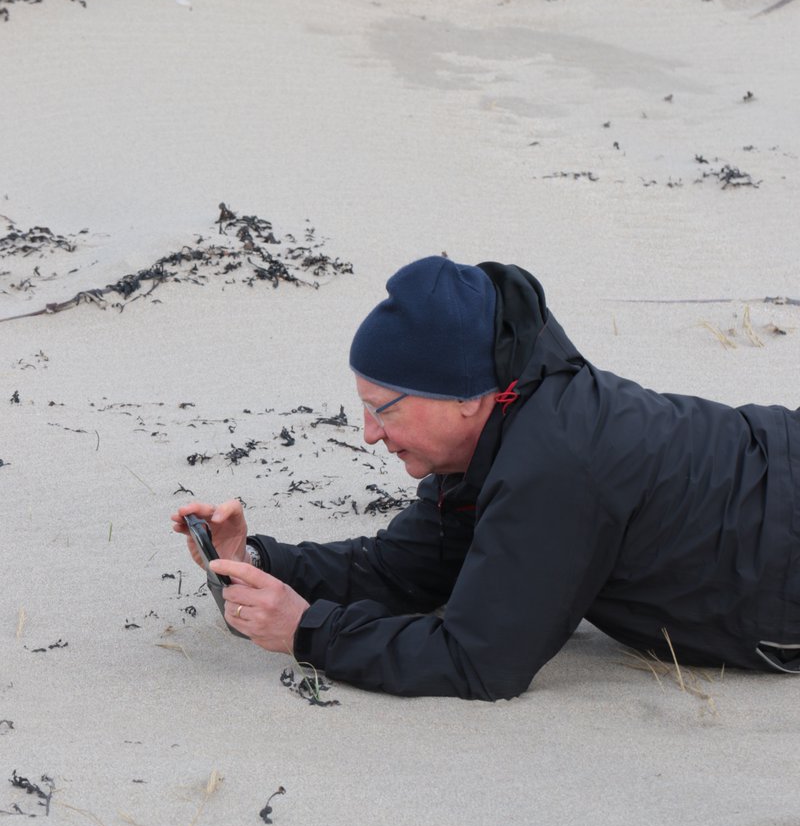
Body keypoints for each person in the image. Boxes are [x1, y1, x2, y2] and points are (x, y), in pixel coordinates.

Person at [171, 256, 800, 700]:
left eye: (384, 408)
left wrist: (307, 633)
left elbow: (480, 661)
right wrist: (253, 560)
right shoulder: (511, 421)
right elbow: (403, 569)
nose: (368, 433)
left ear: (467, 397)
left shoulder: (556, 463)